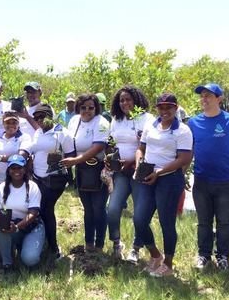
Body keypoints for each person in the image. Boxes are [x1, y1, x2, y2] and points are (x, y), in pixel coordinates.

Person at [133, 93, 193, 277]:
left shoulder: (182, 131)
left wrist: (159, 172)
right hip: (147, 175)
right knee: (139, 219)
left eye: (169, 107)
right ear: (156, 108)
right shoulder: (150, 125)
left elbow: (185, 158)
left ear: (176, 108)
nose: (165, 111)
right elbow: (141, 148)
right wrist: (139, 164)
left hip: (169, 179)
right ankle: (155, 255)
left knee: (167, 222)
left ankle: (168, 264)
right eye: (161, 107)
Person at [188, 83, 229, 271]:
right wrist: (184, 174)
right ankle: (204, 256)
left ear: (219, 99)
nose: (204, 99)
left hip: (226, 181)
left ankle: (223, 257)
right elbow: (189, 151)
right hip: (201, 181)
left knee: (224, 222)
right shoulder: (193, 123)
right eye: (202, 96)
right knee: (203, 222)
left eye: (208, 95)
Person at [106, 85, 153, 260]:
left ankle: (136, 248)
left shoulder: (147, 119)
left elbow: (151, 146)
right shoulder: (116, 120)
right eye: (121, 100)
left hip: (139, 172)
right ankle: (117, 243)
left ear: (136, 100)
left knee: (139, 214)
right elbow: (111, 142)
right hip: (121, 172)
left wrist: (132, 162)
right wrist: (110, 157)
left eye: (128, 99)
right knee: (112, 209)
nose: (125, 103)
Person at [22, 103, 75, 259]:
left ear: (50, 117)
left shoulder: (62, 133)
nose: (39, 120)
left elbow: (71, 156)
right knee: (40, 210)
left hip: (54, 179)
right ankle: (44, 243)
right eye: (37, 117)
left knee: (46, 210)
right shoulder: (38, 132)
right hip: (37, 178)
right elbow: (33, 149)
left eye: (43, 116)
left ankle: (53, 248)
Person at [62, 94, 110, 250]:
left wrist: (75, 161)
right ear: (78, 108)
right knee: (88, 208)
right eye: (83, 107)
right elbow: (68, 142)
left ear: (96, 108)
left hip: (98, 168)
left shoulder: (101, 122)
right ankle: (89, 243)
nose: (87, 110)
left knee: (99, 207)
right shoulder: (74, 121)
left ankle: (100, 244)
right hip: (82, 170)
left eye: (91, 107)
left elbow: (98, 147)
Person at [0, 111, 31, 244]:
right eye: (8, 122)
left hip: (16, 181)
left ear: (18, 124)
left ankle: (17, 235)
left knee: (14, 209)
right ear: (3, 123)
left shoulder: (24, 138)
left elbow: (21, 157)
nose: (11, 125)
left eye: (14, 122)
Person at [0, 155, 45, 269]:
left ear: (25, 169)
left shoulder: (32, 187)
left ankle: (30, 243)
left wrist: (16, 227)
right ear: (8, 170)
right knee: (0, 228)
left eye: (20, 167)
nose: (16, 171)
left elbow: (33, 213)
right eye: (13, 168)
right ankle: (7, 263)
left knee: (30, 260)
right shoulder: (2, 187)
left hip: (32, 227)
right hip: (11, 227)